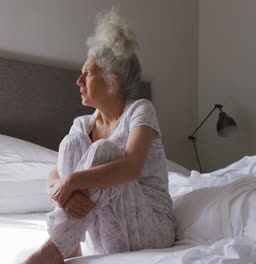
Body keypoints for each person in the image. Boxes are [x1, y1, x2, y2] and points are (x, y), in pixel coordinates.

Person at [23, 7, 175, 264]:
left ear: (112, 82)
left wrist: (71, 183)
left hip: (151, 227)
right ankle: (69, 245)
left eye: (88, 73)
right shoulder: (82, 125)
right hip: (105, 235)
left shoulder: (141, 110)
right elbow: (55, 174)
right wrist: (61, 194)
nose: (79, 81)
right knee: (71, 143)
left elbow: (132, 167)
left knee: (104, 151)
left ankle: (54, 249)